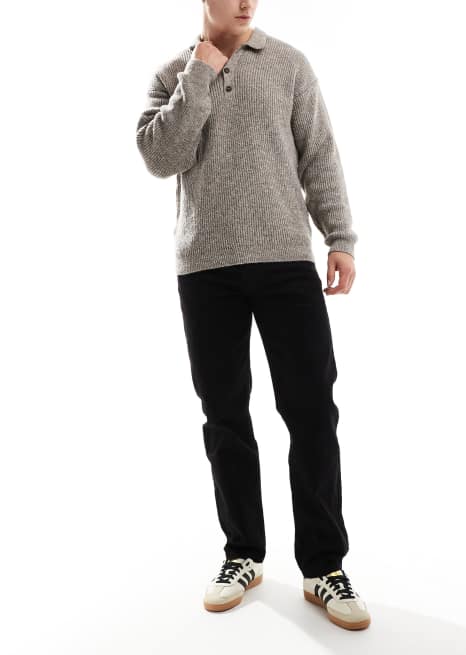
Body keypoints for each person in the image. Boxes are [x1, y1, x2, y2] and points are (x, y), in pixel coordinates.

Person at [136, 0, 370, 631]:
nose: (245, 1)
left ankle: (324, 566)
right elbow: (161, 158)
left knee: (312, 411)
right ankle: (242, 554)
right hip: (205, 269)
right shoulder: (173, 73)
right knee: (225, 417)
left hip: (286, 261)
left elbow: (318, 153)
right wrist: (202, 70)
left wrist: (340, 237)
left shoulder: (289, 63)